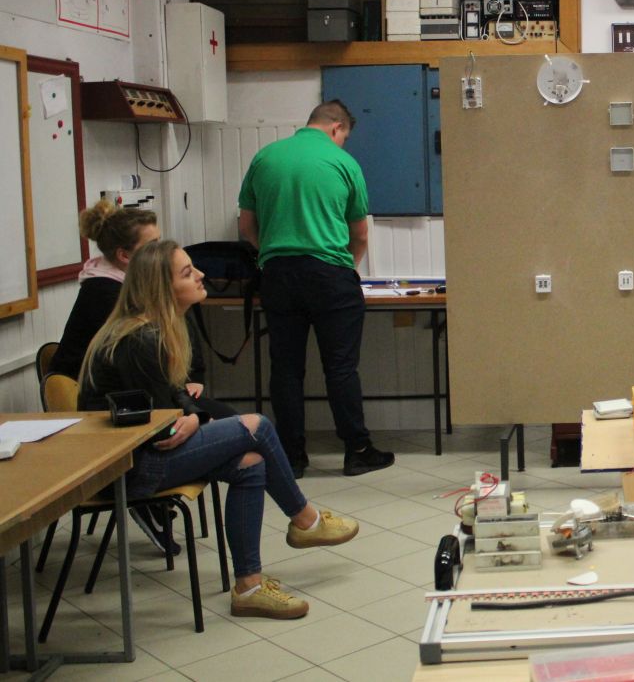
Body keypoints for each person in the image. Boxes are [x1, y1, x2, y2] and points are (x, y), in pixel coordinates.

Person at [79, 239, 360, 620]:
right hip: (128, 469)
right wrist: (194, 419)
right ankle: (305, 521)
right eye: (187, 273)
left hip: (143, 455)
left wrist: (194, 416)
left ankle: (249, 588)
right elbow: (161, 430)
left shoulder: (157, 327)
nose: (200, 275)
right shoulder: (140, 339)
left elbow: (176, 396)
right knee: (258, 426)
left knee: (250, 462)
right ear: (162, 288)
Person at [49, 200, 234, 553]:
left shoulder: (142, 289)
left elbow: (178, 349)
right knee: (236, 428)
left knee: (236, 429)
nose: (161, 252)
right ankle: (148, 497)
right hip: (114, 416)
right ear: (124, 255)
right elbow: (146, 376)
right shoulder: (109, 295)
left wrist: (188, 386)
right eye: (152, 245)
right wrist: (187, 405)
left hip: (143, 395)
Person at [237, 100, 393, 478]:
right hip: (330, 276)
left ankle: (291, 457)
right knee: (340, 368)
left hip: (278, 275)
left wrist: (272, 254)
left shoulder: (265, 157)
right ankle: (357, 450)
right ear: (337, 128)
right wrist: (346, 267)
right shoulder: (343, 163)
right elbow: (359, 233)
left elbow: (246, 226)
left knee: (286, 369)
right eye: (344, 137)